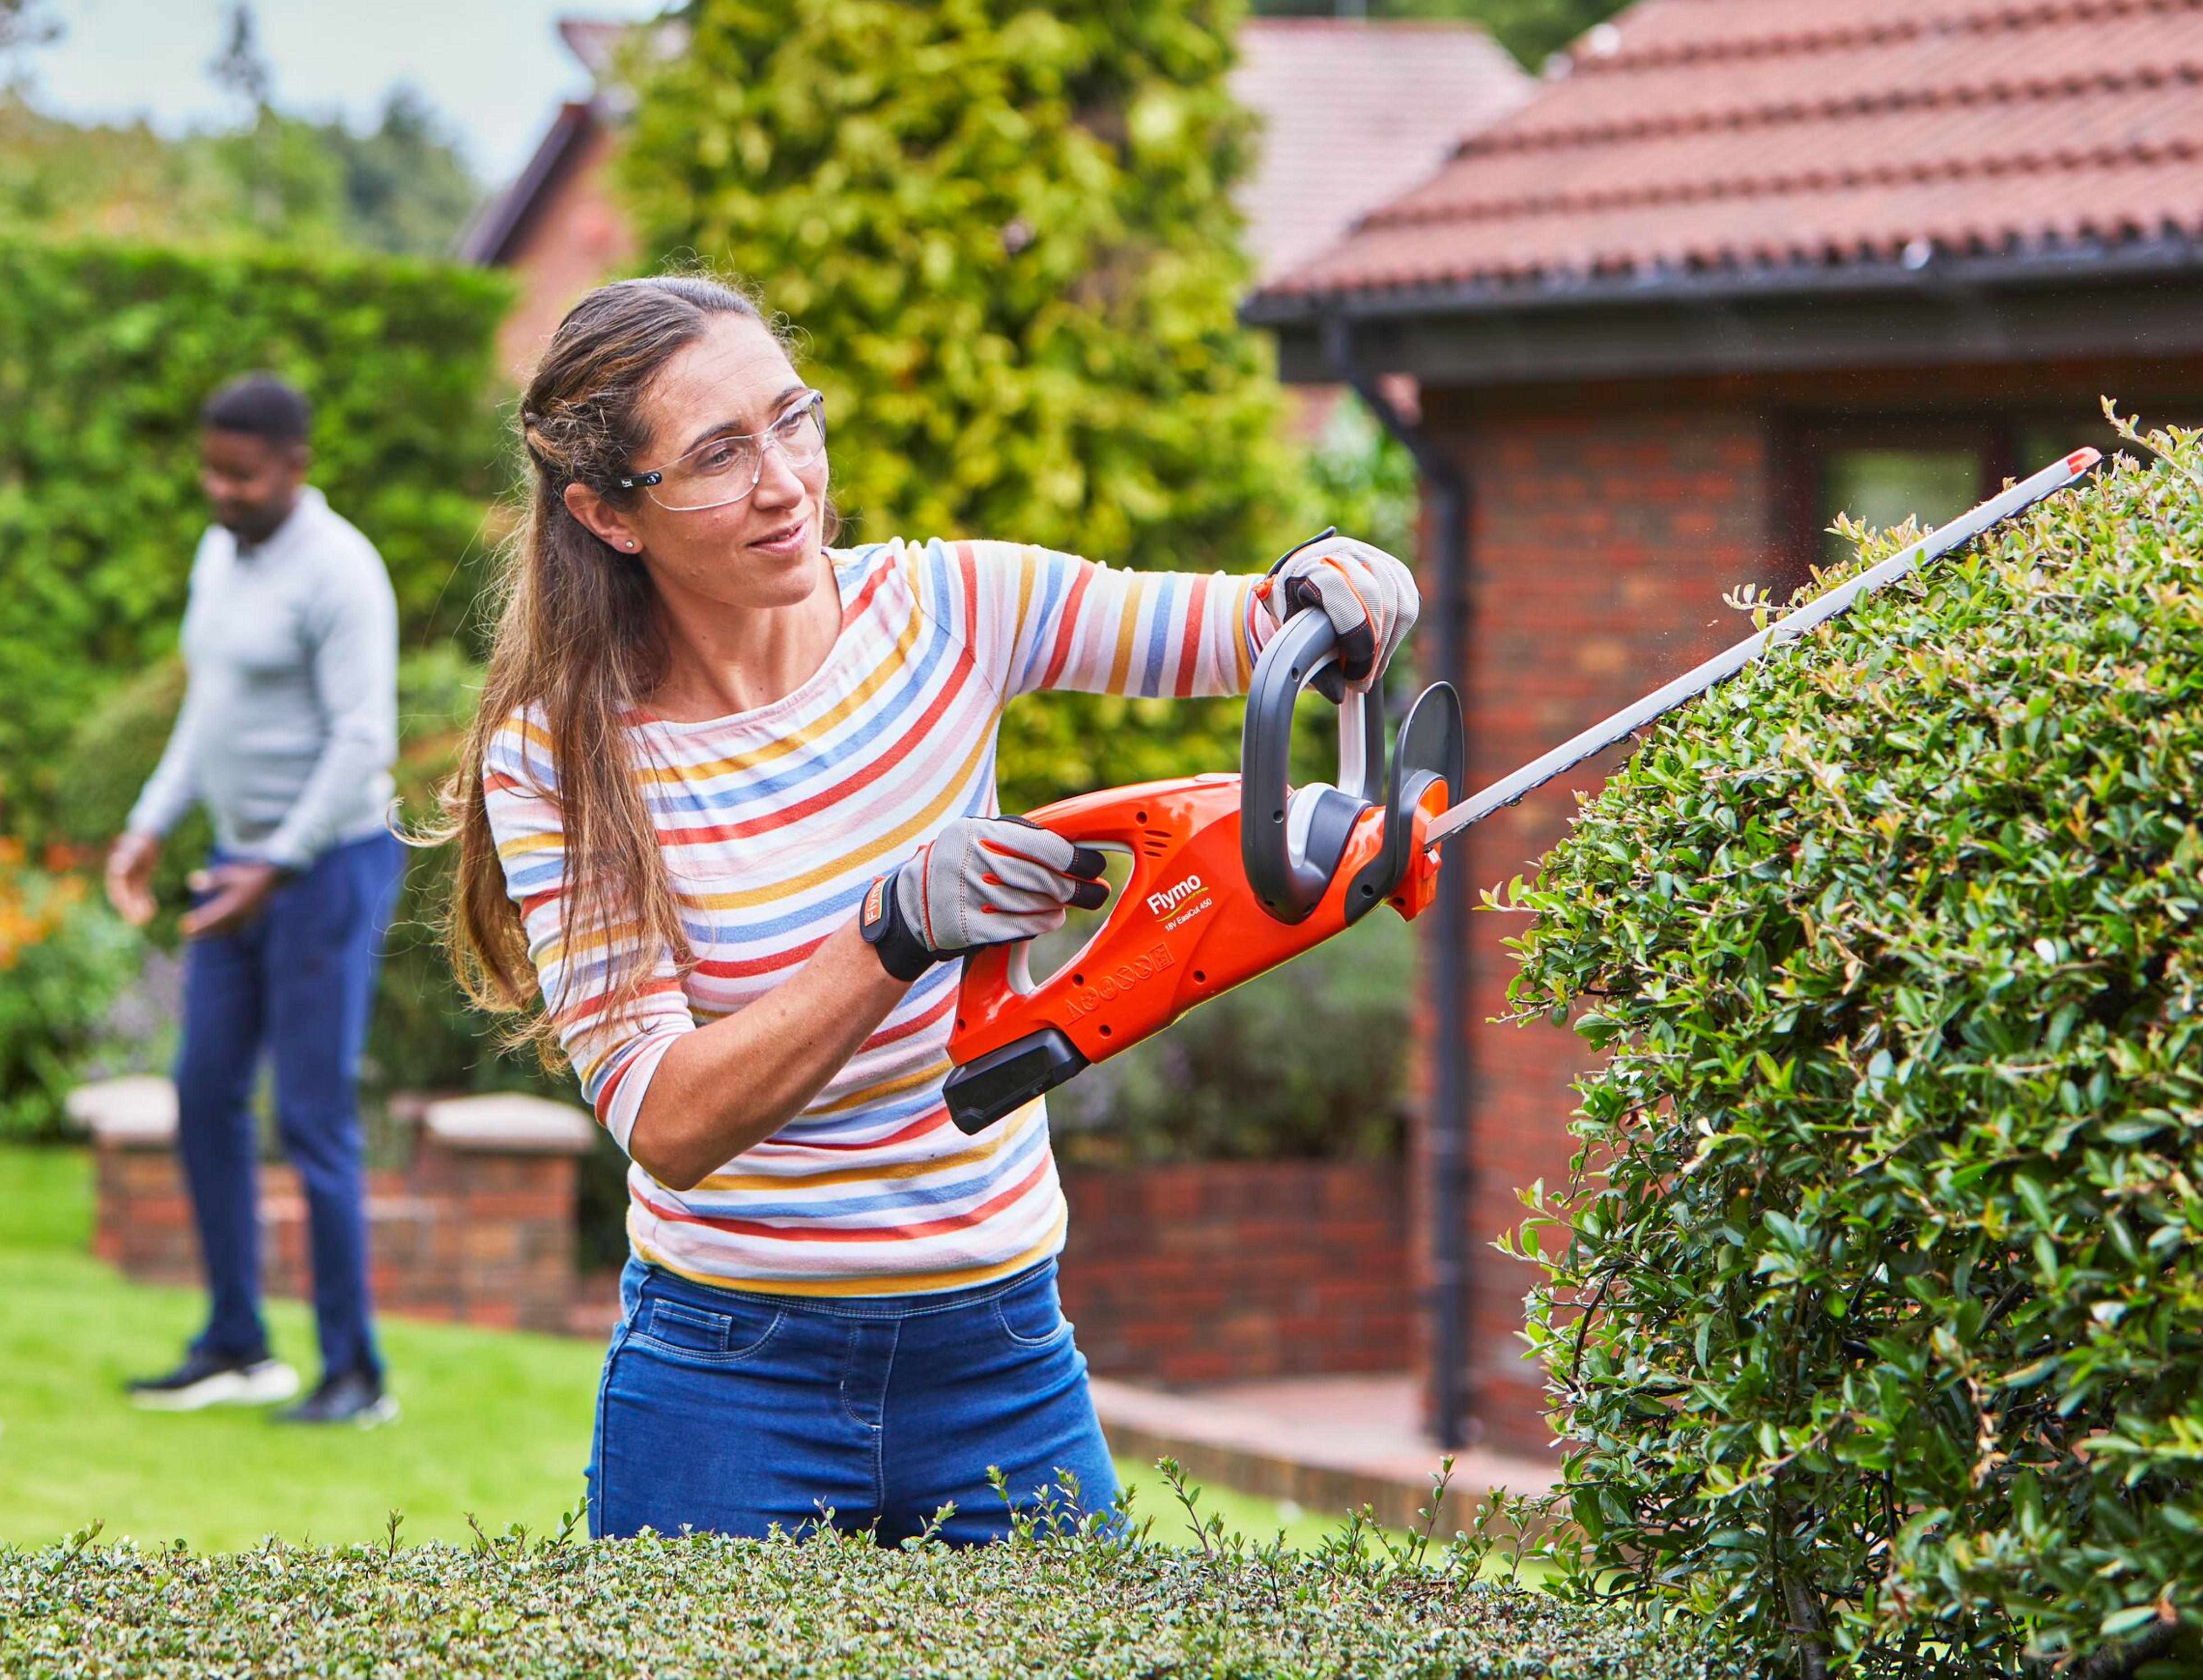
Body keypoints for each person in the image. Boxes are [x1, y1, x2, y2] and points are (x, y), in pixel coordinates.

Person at [445, 275, 1417, 1543]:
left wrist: (1332, 587)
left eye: (793, 421)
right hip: (730, 1376)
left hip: (1003, 1353)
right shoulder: (564, 752)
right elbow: (666, 1121)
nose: (786, 481)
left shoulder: (949, 609)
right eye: (718, 457)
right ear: (605, 513)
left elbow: (1239, 628)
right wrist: (893, 930)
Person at [105, 373, 404, 1427]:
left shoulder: (341, 571)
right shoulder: (218, 554)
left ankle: (354, 1374)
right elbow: (211, 706)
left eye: (242, 473)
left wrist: (274, 866)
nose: (220, 489)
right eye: (211, 468)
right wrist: (149, 822)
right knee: (204, 1095)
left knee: (314, 1118)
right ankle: (236, 1342)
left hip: (327, 869)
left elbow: (363, 739)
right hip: (240, 866)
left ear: (295, 467)